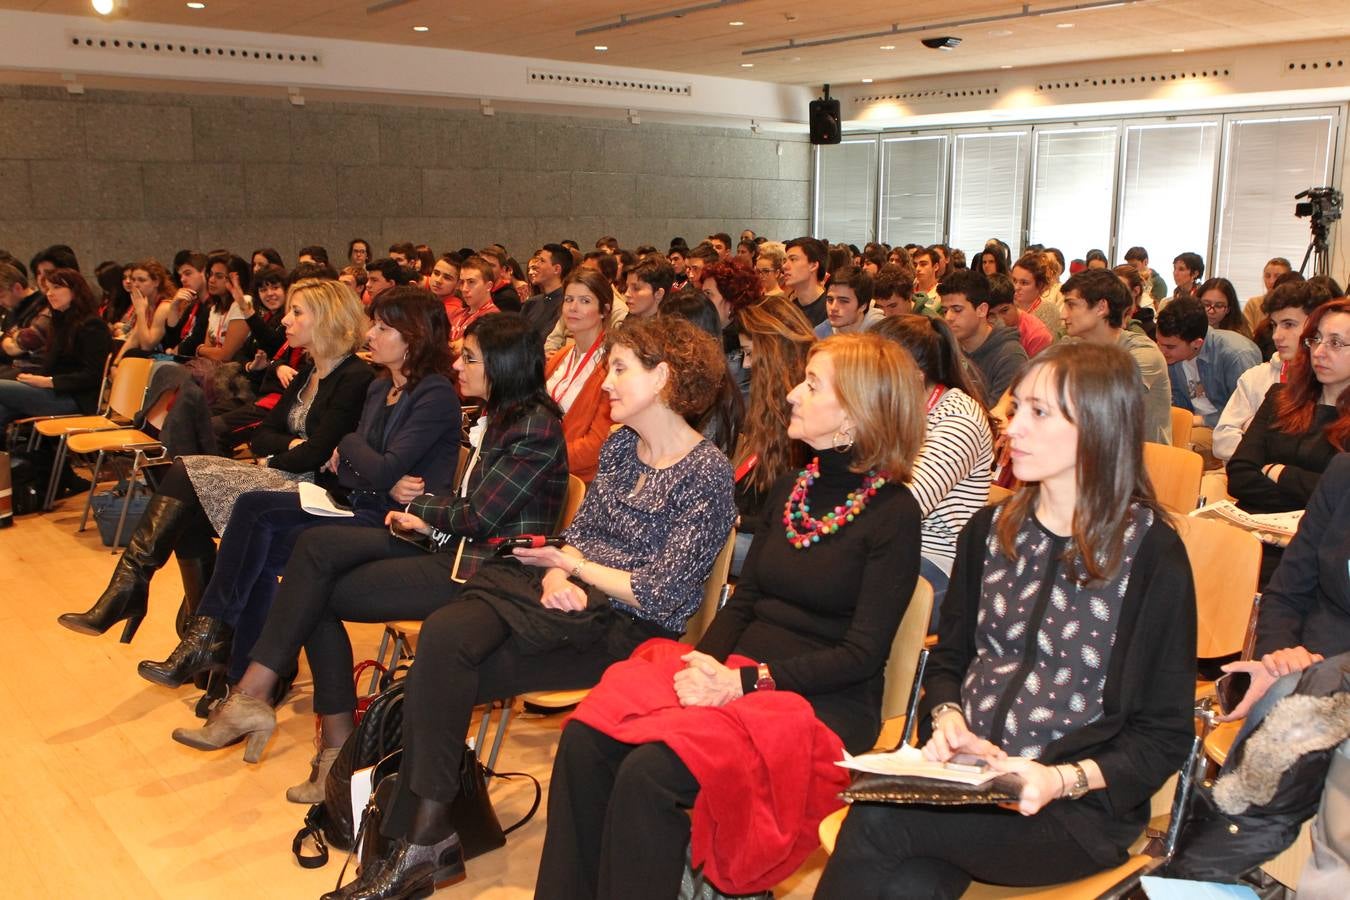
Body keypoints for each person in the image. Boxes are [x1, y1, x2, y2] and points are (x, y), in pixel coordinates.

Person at [326, 316, 735, 899]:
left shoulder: (707, 473)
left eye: (620, 369)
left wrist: (573, 569)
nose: (607, 382)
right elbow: (580, 537)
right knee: (444, 637)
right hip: (557, 596)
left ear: (664, 378)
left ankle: (420, 842)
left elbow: (663, 594)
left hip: (629, 629)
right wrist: (554, 575)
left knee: (438, 675)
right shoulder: (622, 446)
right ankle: (424, 837)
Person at [535, 332, 925, 899]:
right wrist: (701, 663)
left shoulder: (893, 513)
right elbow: (745, 601)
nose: (791, 394)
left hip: (818, 702)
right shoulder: (794, 487)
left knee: (650, 774)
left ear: (857, 413)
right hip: (737, 674)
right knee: (589, 738)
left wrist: (742, 681)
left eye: (812, 385)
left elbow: (862, 656)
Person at [818, 341, 1198, 898]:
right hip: (969, 784)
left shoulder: (1150, 555)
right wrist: (947, 718)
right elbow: (950, 658)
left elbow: (1163, 737)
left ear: (1097, 427)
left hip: (1071, 807)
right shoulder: (991, 531)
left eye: (1038, 412)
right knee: (908, 879)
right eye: (1016, 407)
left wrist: (1057, 777)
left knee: (880, 820)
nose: (1011, 428)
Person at [182, 311, 568, 800]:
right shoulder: (502, 419)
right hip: (457, 551)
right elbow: (469, 505)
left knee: (313, 580)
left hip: (489, 572)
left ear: (505, 366)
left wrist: (418, 506)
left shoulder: (533, 427)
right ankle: (312, 736)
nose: (460, 364)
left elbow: (481, 517)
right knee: (312, 572)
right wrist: (425, 510)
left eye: (470, 358)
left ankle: (283, 714)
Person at [142, 289, 459, 719]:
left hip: (398, 523)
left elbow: (374, 469)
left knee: (265, 545)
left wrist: (348, 444)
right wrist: (362, 461)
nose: (372, 333)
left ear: (414, 337)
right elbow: (351, 472)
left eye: (384, 327)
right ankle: (213, 639)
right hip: (360, 502)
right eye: (374, 323)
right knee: (253, 512)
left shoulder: (434, 393)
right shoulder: (380, 387)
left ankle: (236, 675)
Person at [56, 278, 372, 643]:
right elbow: (260, 436)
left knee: (183, 476)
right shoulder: (307, 373)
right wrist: (291, 446)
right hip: (285, 475)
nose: (284, 320)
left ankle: (154, 600)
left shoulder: (355, 376)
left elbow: (317, 451)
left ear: (328, 318)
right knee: (180, 493)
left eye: (297, 312)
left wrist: (278, 456)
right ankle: (199, 625)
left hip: (315, 493)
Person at [873, 314, 994, 624]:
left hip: (936, 560)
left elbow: (903, 507)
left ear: (911, 377)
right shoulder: (894, 409)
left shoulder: (958, 419)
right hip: (885, 550)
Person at [1227, 299, 1350, 516]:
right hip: (1249, 524)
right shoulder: (1280, 397)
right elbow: (1239, 476)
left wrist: (1280, 472)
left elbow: (1342, 497)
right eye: (1316, 339)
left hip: (1316, 540)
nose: (1319, 352)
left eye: (1336, 343)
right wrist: (1309, 492)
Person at [730, 293, 815, 576]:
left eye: (752, 354)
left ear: (776, 353)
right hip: (753, 529)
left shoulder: (809, 414)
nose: (745, 365)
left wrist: (736, 520)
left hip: (782, 542)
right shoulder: (767, 405)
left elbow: (796, 514)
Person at [1213, 280, 1327, 462]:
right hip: (1246, 479)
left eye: (1288, 324)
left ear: (1317, 326)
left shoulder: (1331, 384)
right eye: (1274, 325)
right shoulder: (1256, 377)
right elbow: (1222, 440)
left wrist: (1252, 437)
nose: (1276, 335)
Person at [1060, 268, 1173, 444]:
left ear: (1101, 308)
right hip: (1092, 452)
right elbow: (1029, 379)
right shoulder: (1071, 344)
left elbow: (1104, 405)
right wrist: (1001, 411)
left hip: (1142, 462)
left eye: (1071, 305)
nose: (1063, 314)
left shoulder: (1142, 352)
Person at [1157, 296, 1262, 465]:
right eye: (1159, 343)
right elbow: (1178, 405)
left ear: (1197, 343)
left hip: (1224, 431)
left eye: (1169, 346)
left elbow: (1248, 415)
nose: (1161, 351)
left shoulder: (1236, 355)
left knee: (1175, 452)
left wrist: (1201, 420)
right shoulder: (1173, 357)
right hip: (1192, 424)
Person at [0, 268, 111, 427]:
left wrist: (48, 382)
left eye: (57, 288)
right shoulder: (60, 322)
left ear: (75, 291)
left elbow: (93, 375)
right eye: (48, 289)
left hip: (76, 399)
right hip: (54, 392)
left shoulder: (92, 326)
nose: (50, 294)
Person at [547, 267, 614, 483]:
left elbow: (596, 446)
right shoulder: (561, 356)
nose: (573, 308)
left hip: (579, 479)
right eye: (569, 299)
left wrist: (540, 457)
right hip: (546, 468)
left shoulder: (612, 366)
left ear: (604, 309)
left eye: (585, 301)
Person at [941, 269, 1028, 406]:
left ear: (982, 310)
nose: (948, 318)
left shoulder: (1010, 356)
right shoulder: (946, 347)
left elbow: (996, 418)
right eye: (945, 311)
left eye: (957, 310)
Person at [1011, 252, 1065, 340]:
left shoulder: (1049, 311)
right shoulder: (1006, 306)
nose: (1016, 287)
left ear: (1040, 286)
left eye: (1024, 283)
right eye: (1014, 281)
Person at [1242, 257, 1294, 335]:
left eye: (1277, 276)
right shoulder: (1253, 303)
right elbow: (1246, 334)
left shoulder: (1294, 305)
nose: (1271, 281)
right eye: (1267, 276)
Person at [1198, 276, 1255, 341]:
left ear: (1229, 309)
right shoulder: (1188, 329)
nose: (1211, 311)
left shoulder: (1238, 337)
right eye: (1206, 304)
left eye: (1219, 306)